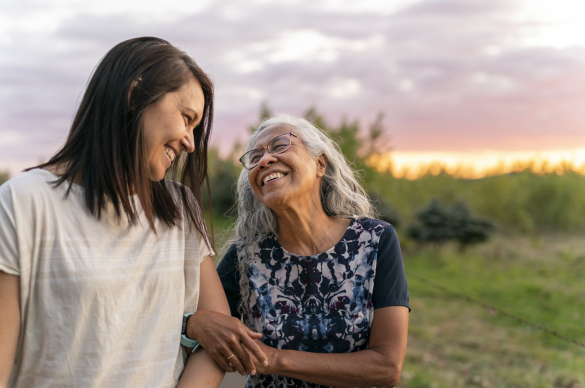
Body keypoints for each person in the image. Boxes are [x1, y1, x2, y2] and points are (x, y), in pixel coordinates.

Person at [0, 37, 265, 388]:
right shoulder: (23, 202)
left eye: (194, 127)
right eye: (186, 118)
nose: (189, 141)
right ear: (133, 94)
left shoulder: (180, 208)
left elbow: (218, 341)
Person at [200, 114, 410, 387]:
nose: (264, 160)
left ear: (320, 163)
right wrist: (195, 323)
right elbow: (206, 329)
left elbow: (386, 368)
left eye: (279, 146)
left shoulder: (375, 239)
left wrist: (274, 359)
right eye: (254, 157)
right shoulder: (245, 257)